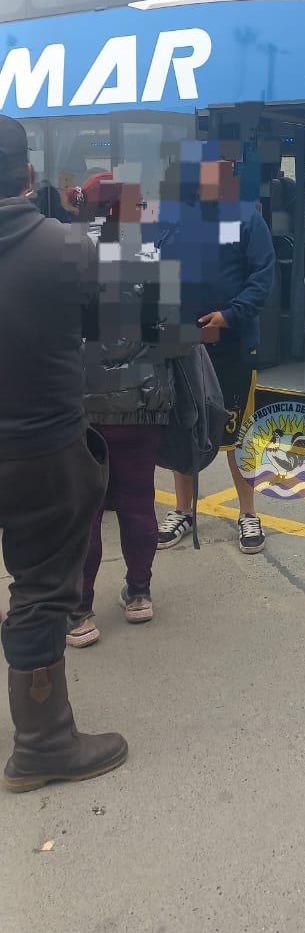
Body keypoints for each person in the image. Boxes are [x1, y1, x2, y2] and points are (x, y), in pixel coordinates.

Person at [0, 117, 127, 791]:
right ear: (27, 175)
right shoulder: (66, 249)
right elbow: (108, 328)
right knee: (41, 594)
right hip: (41, 452)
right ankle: (43, 743)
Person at [66, 176, 193, 648]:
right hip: (144, 406)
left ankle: (80, 612)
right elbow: (177, 341)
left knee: (87, 511)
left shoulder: (70, 260)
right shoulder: (155, 261)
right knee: (139, 502)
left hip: (83, 411)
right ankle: (138, 594)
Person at [156, 147, 275, 553]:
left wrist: (229, 315)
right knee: (183, 428)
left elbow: (262, 277)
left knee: (240, 435)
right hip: (181, 347)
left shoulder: (243, 218)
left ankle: (247, 513)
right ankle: (183, 512)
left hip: (232, 346)